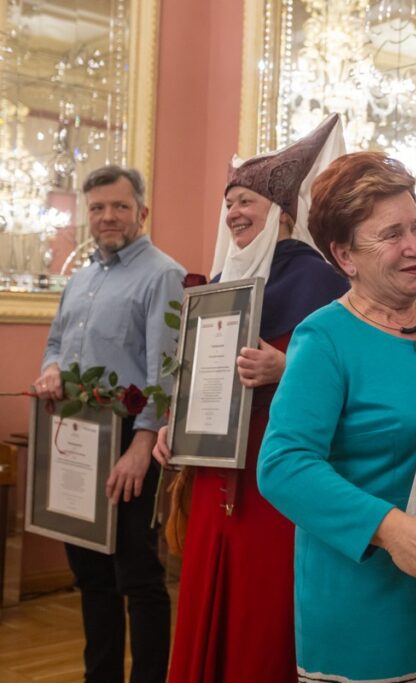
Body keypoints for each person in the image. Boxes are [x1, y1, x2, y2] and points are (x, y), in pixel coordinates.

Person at [257, 151, 416, 682]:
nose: (415, 247)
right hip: (367, 606)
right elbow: (282, 465)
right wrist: (390, 530)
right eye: (391, 235)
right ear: (345, 256)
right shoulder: (324, 338)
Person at [152, 114, 350, 683]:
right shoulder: (221, 287)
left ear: (283, 215)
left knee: (262, 623)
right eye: (230, 203)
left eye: (248, 202)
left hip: (275, 481)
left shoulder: (319, 281)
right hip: (217, 478)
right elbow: (198, 379)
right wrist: (175, 427)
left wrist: (287, 366)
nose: (235, 213)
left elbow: (345, 376)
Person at [33, 165, 183, 683]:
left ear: (141, 211)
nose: (108, 216)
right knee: (91, 576)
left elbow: (167, 367)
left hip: (129, 440)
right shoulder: (80, 278)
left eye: (119, 206)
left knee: (137, 577)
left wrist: (142, 445)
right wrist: (50, 368)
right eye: (97, 208)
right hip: (78, 437)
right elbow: (55, 344)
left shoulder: (163, 274)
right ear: (87, 215)